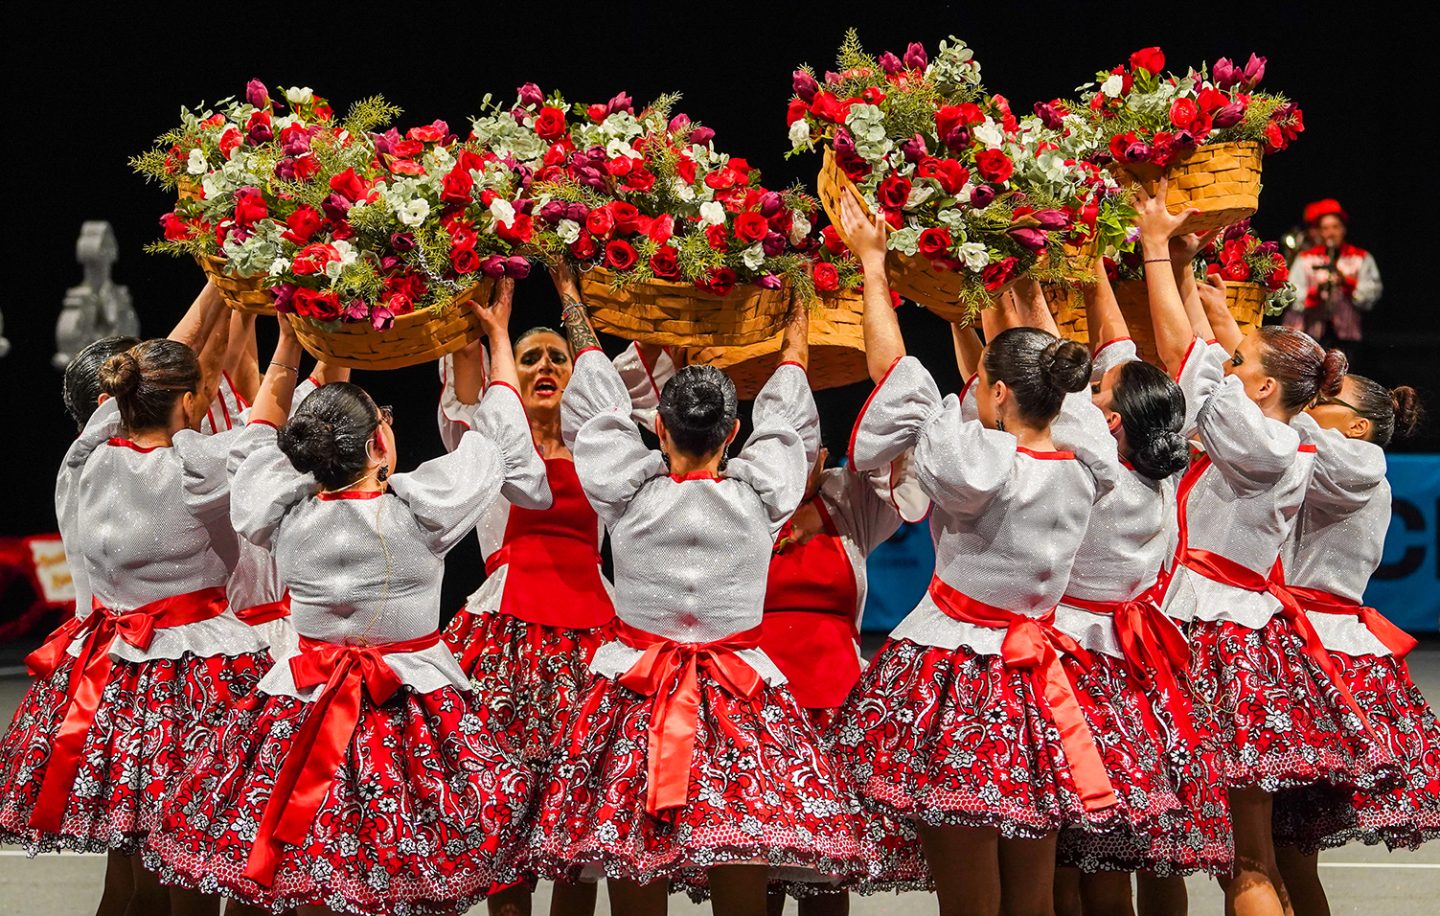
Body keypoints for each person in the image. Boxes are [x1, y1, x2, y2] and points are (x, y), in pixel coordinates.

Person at [145, 283, 550, 916]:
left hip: (300, 706)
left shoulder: (277, 512)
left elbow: (257, 436)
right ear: (376, 447)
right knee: (399, 875)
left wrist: (286, 345)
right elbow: (499, 446)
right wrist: (497, 338)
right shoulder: (425, 512)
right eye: (382, 420)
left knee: (306, 868)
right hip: (412, 710)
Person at [528, 264, 868, 916]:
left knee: (635, 868)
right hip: (741, 699)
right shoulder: (761, 494)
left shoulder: (626, 490)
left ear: (657, 430)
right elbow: (790, 407)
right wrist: (797, 323)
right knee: (741, 864)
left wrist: (571, 292)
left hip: (634, 694)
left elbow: (596, 395)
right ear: (734, 435)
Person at [832, 188, 1131, 916]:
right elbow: (1052, 382)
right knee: (1029, 897)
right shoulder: (1088, 458)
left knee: (968, 898)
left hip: (961, 675)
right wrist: (1011, 284)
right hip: (1041, 677)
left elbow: (894, 375)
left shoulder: (977, 467)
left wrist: (875, 265)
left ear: (997, 392)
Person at [1137, 180, 1392, 916]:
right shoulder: (1260, 437)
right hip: (1219, 633)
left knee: (1241, 858)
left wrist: (1159, 252)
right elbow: (1203, 354)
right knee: (1229, 856)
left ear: (1269, 389)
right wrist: (1193, 281)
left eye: (1243, 364)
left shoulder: (1267, 441)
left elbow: (1189, 357)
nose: (1229, 368)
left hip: (1218, 640)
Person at [0, 281, 274, 916]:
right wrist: (252, 307)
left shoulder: (82, 460)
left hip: (115, 684)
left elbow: (170, 365)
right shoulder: (202, 466)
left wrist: (219, 284)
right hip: (192, 684)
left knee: (128, 883)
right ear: (186, 398)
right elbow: (262, 408)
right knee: (187, 882)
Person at [996, 275, 1232, 916]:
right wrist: (1094, 271)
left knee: (1083, 855)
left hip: (1078, 661)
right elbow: (1113, 361)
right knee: (1137, 851)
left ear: (1113, 421)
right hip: (1138, 670)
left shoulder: (1098, 470)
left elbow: (1051, 372)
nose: (1091, 394)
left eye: (1099, 393)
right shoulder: (1163, 476)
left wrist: (1015, 287)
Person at [438, 322, 653, 916]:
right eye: (529, 358)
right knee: (503, 809)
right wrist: (482, 311)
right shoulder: (489, 443)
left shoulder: (603, 450)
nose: (542, 368)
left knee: (578, 814)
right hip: (504, 638)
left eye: (556, 358)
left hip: (594, 638)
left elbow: (654, 357)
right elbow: (464, 361)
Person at [1270, 379, 1433, 916]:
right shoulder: (1323, 461)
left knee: (1276, 860)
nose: (1310, 406)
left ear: (1359, 426)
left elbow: (1285, 425)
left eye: (1323, 401)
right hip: (1291, 646)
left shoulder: (1358, 464)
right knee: (1282, 859)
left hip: (1311, 657)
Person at [1283, 199, 1382, 361]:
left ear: (1343, 229)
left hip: (1347, 336)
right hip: (1311, 333)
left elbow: (1371, 294)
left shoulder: (1361, 257)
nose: (1331, 233)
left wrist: (1348, 284)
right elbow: (1291, 292)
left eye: (1335, 227)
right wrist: (1314, 294)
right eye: (1325, 228)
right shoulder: (1305, 258)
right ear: (1320, 232)